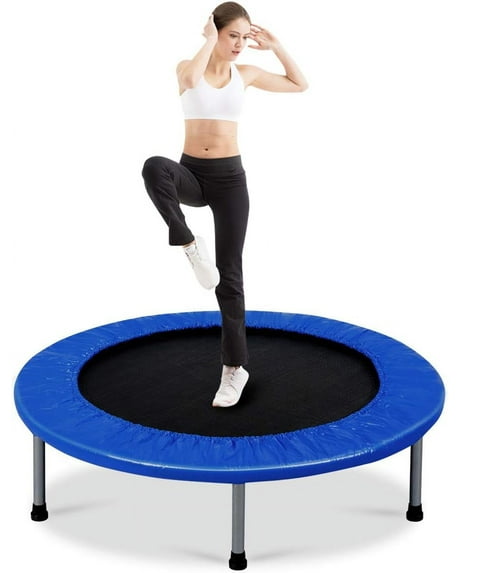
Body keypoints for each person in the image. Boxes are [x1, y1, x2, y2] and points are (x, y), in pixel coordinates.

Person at [142, 2, 307, 408]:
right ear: (215, 32)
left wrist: (276, 45)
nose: (239, 44)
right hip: (191, 174)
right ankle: (187, 243)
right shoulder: (188, 67)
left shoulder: (245, 74)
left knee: (230, 276)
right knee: (154, 167)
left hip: (230, 180)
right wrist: (207, 41)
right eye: (233, 35)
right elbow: (191, 79)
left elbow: (299, 84)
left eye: (244, 37)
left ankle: (234, 369)